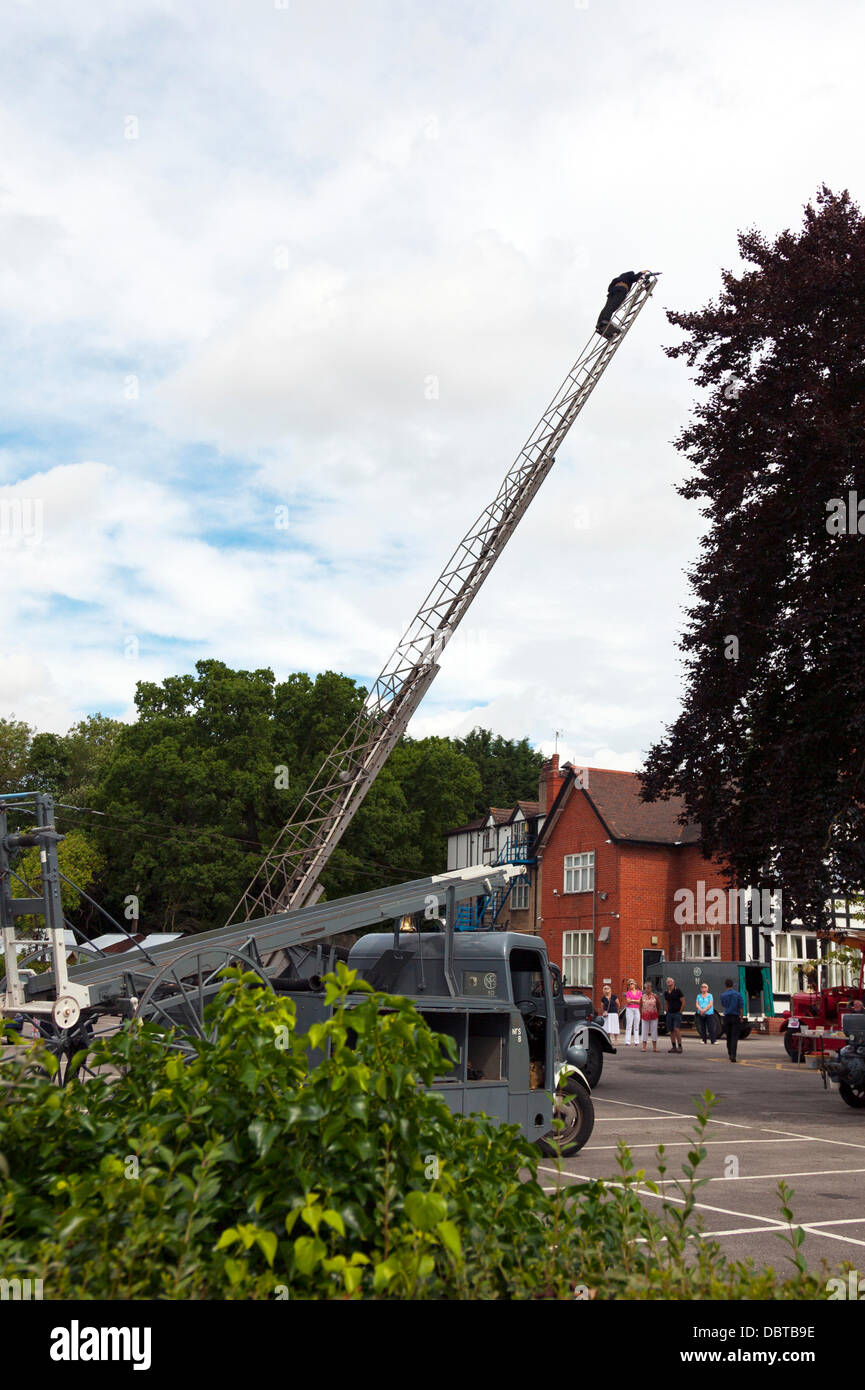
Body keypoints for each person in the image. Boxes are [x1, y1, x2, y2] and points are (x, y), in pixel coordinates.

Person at [596, 270, 648, 339]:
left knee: (608, 306)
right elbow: (634, 278)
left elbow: (609, 288)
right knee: (613, 306)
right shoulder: (630, 273)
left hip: (613, 291)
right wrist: (641, 272)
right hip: (621, 290)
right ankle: (605, 320)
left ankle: (600, 322)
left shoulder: (617, 279)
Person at [719, 976, 745, 1063]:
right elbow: (741, 1007)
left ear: (725, 985)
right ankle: (733, 1055)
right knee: (734, 1037)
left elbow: (723, 1005)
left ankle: (730, 1053)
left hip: (727, 1016)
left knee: (728, 1037)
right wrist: (741, 1017)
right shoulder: (738, 994)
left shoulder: (723, 995)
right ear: (733, 985)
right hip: (735, 1016)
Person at [664, 976, 685, 1055]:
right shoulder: (666, 992)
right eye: (668, 982)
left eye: (670, 982)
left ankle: (680, 1046)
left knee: (676, 1029)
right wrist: (667, 1011)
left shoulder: (678, 991)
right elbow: (666, 1002)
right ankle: (673, 1046)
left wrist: (680, 1011)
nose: (669, 983)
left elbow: (683, 1001)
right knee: (671, 1030)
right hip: (670, 1013)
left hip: (677, 1013)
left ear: (673, 982)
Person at [640, 980, 660, 1053]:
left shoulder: (655, 996)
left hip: (654, 1015)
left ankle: (654, 1047)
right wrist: (641, 1014)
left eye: (648, 988)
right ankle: (644, 1047)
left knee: (654, 1031)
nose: (647, 989)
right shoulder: (642, 997)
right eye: (645, 988)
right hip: (645, 1016)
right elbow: (640, 1006)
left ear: (651, 988)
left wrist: (657, 1013)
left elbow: (658, 1005)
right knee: (644, 1031)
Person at [623, 978, 642, 1046]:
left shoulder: (639, 992)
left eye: (631, 983)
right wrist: (635, 1001)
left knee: (636, 1025)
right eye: (629, 984)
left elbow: (640, 1002)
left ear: (635, 984)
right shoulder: (628, 993)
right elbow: (628, 1001)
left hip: (637, 1009)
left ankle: (636, 1041)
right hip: (629, 1009)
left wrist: (632, 1001)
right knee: (629, 1025)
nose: (630, 985)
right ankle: (627, 1041)